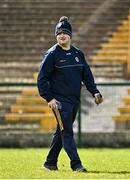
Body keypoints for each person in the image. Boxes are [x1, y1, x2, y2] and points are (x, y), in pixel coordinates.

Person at [37, 16, 103, 172]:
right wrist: (49, 98)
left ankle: (50, 162)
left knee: (62, 132)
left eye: (64, 32)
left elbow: (86, 75)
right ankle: (76, 164)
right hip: (59, 102)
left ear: (70, 35)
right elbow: (41, 79)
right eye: (58, 33)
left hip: (74, 101)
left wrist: (95, 91)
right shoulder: (51, 54)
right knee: (67, 131)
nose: (61, 35)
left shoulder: (78, 53)